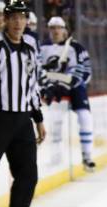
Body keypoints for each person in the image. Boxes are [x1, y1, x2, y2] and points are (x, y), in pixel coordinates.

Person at [0, 0, 46, 207]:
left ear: (27, 21)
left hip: (22, 120)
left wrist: (38, 118)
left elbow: (32, 86)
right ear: (5, 20)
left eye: (22, 18)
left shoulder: (29, 49)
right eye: (13, 17)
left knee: (28, 174)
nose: (18, 22)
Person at [40, 16, 96, 172]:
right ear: (48, 30)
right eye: (52, 28)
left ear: (65, 29)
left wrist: (69, 82)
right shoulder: (42, 47)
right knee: (55, 121)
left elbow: (86, 71)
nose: (55, 31)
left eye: (58, 27)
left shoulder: (76, 47)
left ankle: (87, 156)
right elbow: (39, 70)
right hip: (53, 88)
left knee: (85, 117)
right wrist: (49, 83)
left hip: (75, 87)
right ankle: (56, 156)